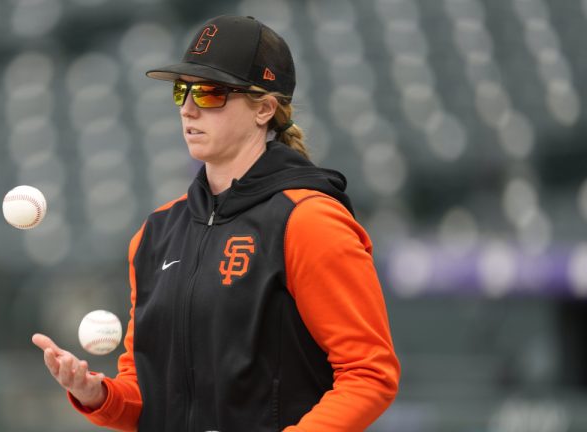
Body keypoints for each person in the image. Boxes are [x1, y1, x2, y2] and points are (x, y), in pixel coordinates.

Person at [32, 15, 400, 432]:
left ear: (264, 109)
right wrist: (97, 394)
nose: (188, 108)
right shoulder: (155, 234)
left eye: (210, 93)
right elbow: (147, 394)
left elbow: (370, 373)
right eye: (181, 91)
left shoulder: (309, 220)